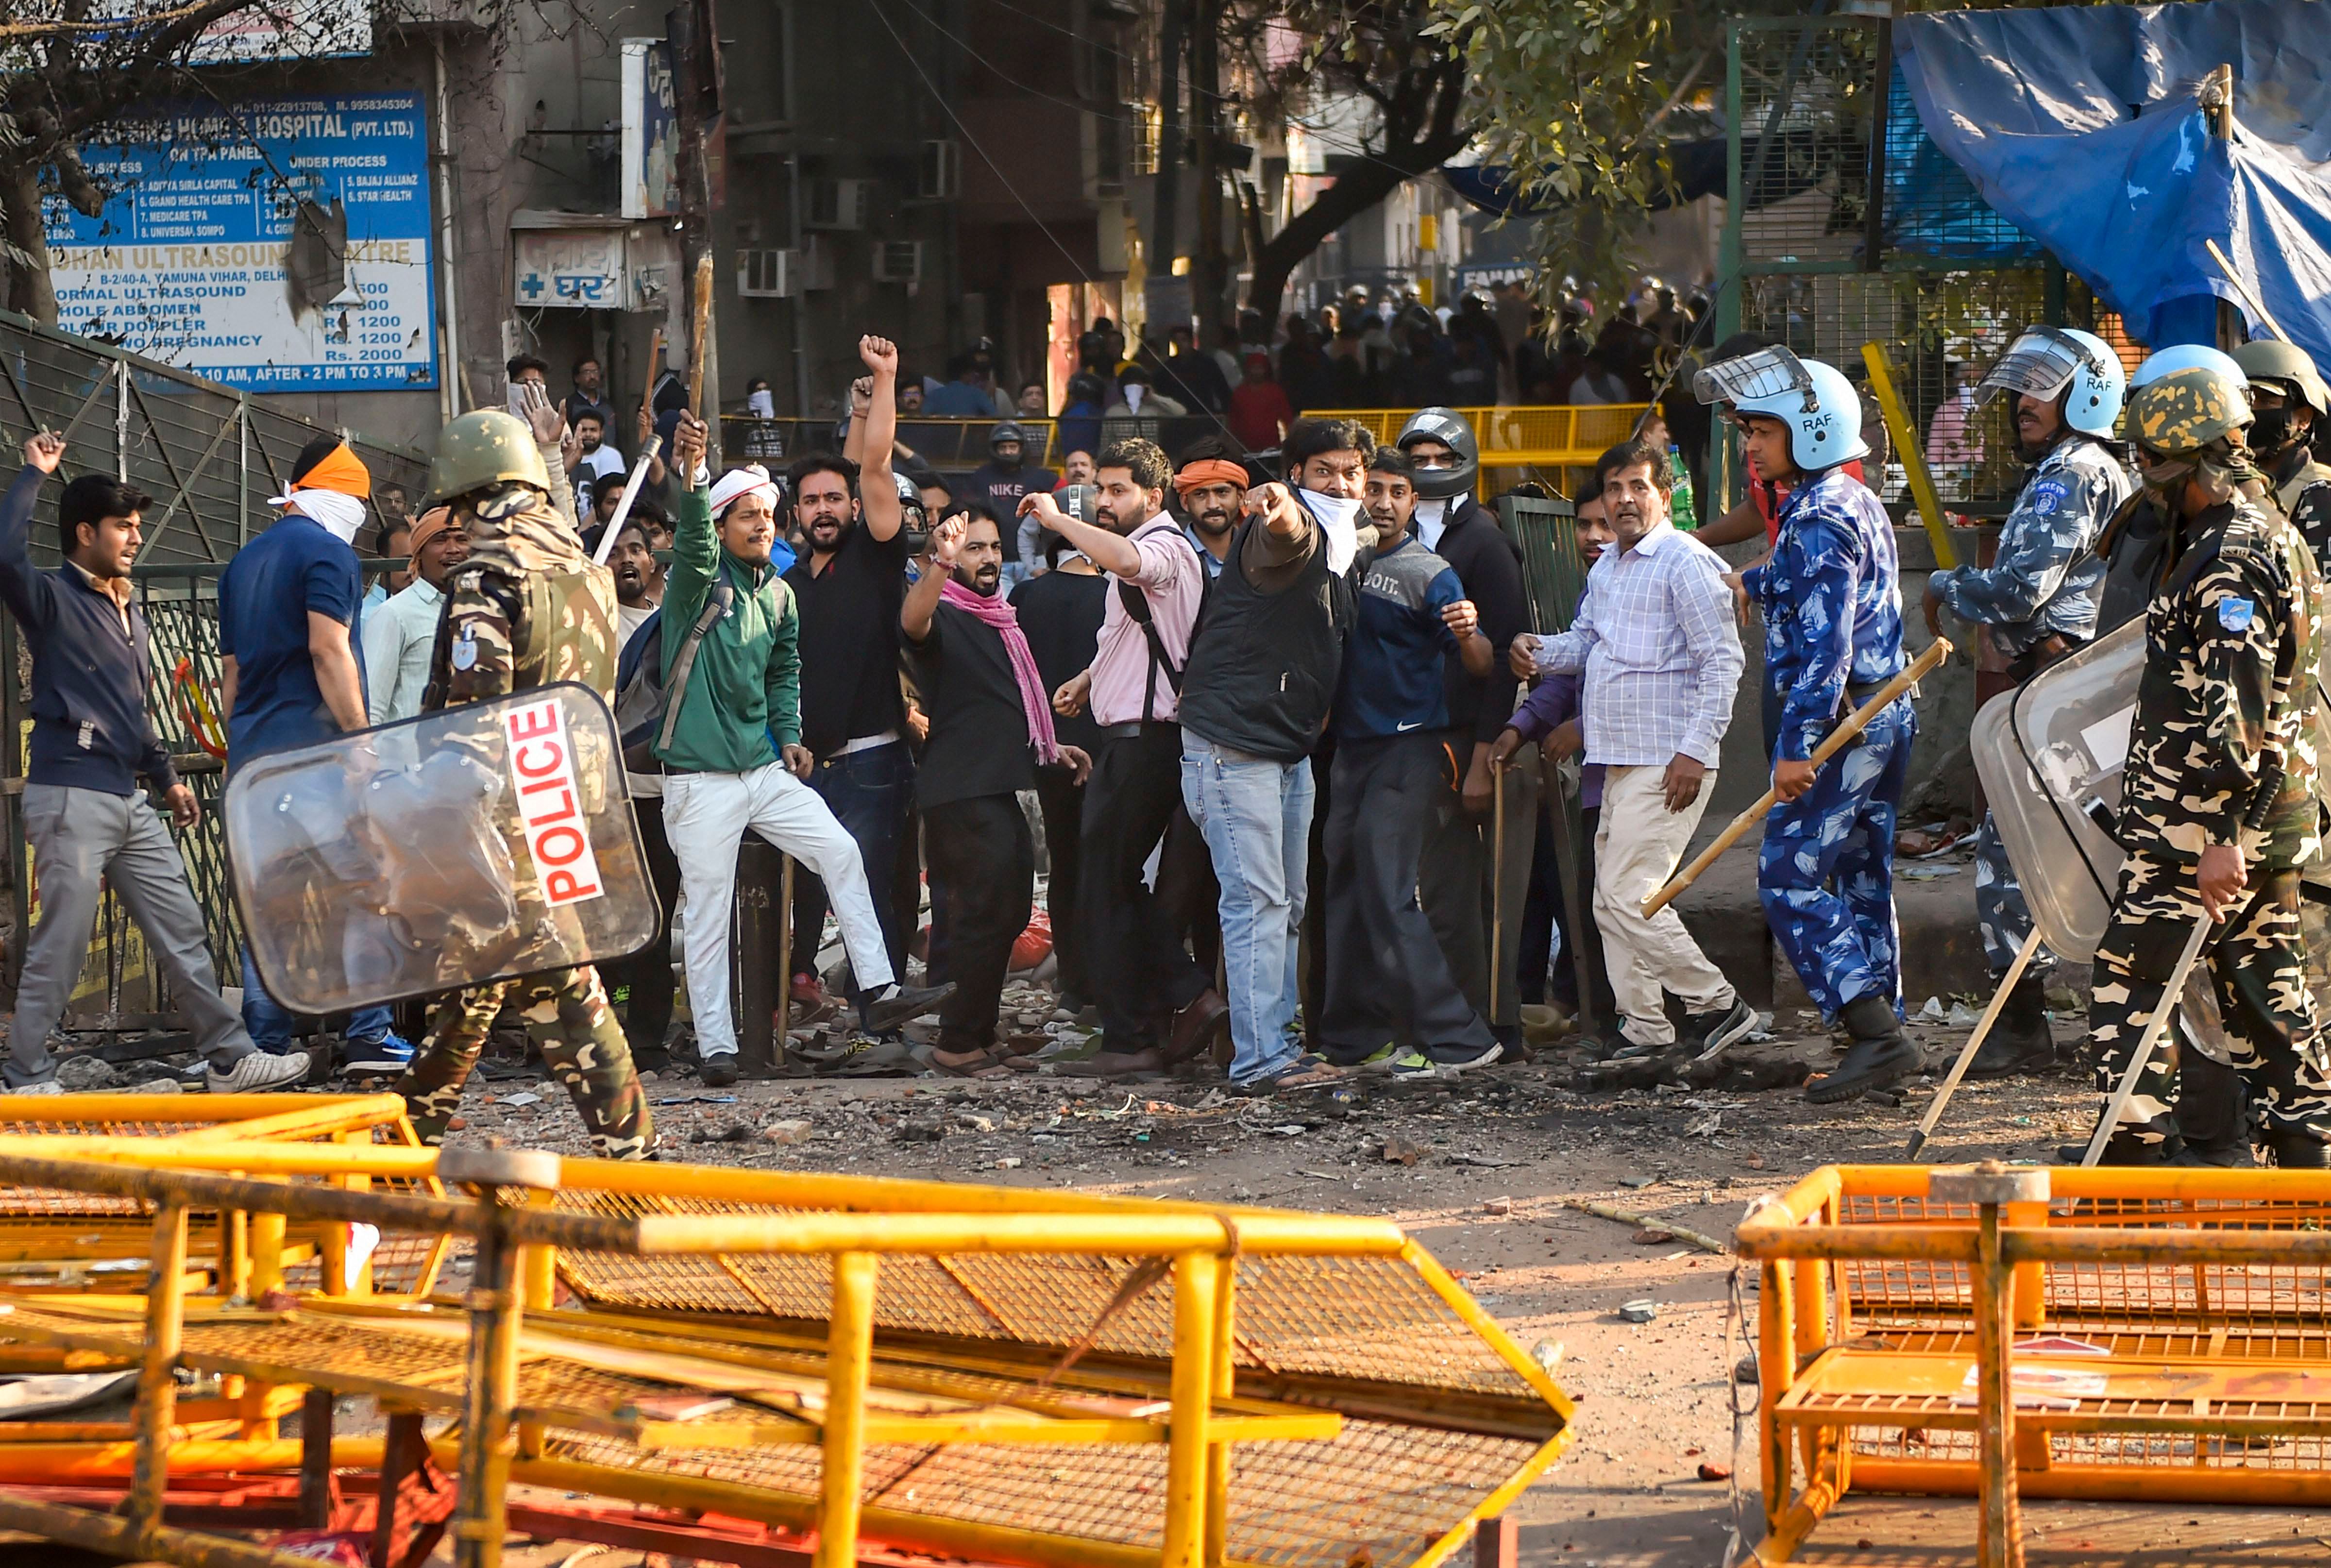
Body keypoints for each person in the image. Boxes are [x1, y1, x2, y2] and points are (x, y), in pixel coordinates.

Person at [2075, 364, 2331, 1166]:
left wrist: (2222, 831)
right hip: (2231, 826)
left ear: (2190, 461)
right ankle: (2308, 1165)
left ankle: (2136, 1169)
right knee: (2265, 1003)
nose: (2147, 479)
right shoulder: (2256, 534)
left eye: (2154, 460)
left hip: (2204, 832)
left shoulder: (2233, 555)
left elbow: (2244, 704)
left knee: (2130, 983)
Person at [658, 409, 952, 1086]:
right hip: (700, 778)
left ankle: (877, 989)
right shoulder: (696, 583)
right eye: (747, 518)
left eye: (767, 517)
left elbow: (785, 670)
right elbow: (696, 538)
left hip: (760, 772)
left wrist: (788, 736)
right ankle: (717, 1048)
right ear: (724, 526)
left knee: (839, 850)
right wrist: (696, 474)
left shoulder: (779, 597)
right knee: (708, 912)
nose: (761, 527)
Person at [0, 434, 302, 1095]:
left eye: (138, 527)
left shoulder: (127, 610)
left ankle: (230, 1058)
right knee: (63, 944)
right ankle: (25, 1075)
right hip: (70, 795)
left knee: (182, 924)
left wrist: (166, 779)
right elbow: (4, 553)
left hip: (126, 799)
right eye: (123, 527)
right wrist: (32, 473)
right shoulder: (51, 599)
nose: (135, 538)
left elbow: (132, 711)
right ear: (86, 532)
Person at [382, 409, 649, 1153]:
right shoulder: (587, 575)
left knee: (558, 987)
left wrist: (424, 822)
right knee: (487, 988)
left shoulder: (488, 578)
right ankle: (409, 1137)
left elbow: (473, 722)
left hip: (500, 821)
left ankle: (631, 1147)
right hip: (565, 804)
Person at [1706, 347, 1918, 1102]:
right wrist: (1748, 578)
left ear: (1813, 430)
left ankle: (1876, 1036)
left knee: (1787, 875)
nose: (1750, 446)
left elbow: (1826, 649)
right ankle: (1880, 1038)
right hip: (1882, 712)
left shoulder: (1822, 514)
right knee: (1862, 872)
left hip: (1845, 723)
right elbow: (1811, 577)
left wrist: (1795, 751)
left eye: (1763, 431)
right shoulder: (1838, 502)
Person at [1923, 326, 2131, 1076]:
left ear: (2088, 394)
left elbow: (2015, 591)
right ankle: (2089, 1020)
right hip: (2073, 690)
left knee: (2012, 852)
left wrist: (1945, 586)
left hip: (2061, 691)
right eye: (2022, 387)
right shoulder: (2090, 469)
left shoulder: (2069, 474)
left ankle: (2024, 1024)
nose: (2022, 402)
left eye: (2042, 387)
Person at [1508, 438, 1755, 1064]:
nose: (1623, 500)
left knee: (1628, 895)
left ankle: (1718, 1005)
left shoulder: (1685, 562)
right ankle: (1644, 1028)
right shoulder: (1607, 569)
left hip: (1668, 760)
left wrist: (1696, 752)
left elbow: (1723, 660)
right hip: (1618, 760)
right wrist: (1535, 649)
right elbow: (1586, 644)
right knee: (1607, 900)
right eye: (1614, 488)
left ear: (1663, 496)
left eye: (1637, 487)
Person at [1175, 418, 1372, 1092]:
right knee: (1256, 901)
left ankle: (1278, 1047)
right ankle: (1259, 1060)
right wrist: (1279, 506)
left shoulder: (1352, 538)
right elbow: (1284, 530)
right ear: (1295, 474)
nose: (1339, 483)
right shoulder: (1282, 528)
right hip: (1234, 745)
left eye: (1351, 471)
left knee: (1286, 903)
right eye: (1323, 471)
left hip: (1285, 746)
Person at [1019, 439, 1227, 1077]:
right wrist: (1089, 678)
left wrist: (1058, 520)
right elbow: (1133, 634)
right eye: (1101, 491)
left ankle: (1159, 1016)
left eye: (1117, 492)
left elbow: (1131, 560)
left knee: (1102, 883)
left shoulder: (1161, 547)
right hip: (1131, 738)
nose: (1105, 503)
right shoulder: (1145, 558)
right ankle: (1162, 1010)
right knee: (1106, 883)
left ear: (1154, 498)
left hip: (1149, 742)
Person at [219, 434, 413, 1078]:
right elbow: (329, 650)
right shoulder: (329, 555)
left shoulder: (243, 562)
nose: (359, 514)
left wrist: (237, 751)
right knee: (368, 883)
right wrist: (359, 740)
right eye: (357, 499)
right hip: (315, 755)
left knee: (270, 902)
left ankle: (265, 1046)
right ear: (335, 496)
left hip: (255, 761)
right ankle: (370, 1035)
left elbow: (231, 679)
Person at [1317, 450, 1501, 1079]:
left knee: (1390, 889)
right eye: (1379, 489)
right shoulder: (1348, 560)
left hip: (1412, 747)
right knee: (1343, 886)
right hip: (1352, 749)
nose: (1387, 502)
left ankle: (1461, 1038)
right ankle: (1351, 1038)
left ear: (1415, 501)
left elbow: (1479, 664)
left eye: (1401, 492)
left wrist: (1471, 630)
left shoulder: (1432, 572)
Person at [901, 511, 1092, 1075]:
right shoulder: (943, 610)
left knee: (1005, 910)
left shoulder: (999, 620)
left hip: (992, 783)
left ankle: (979, 1032)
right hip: (959, 788)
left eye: (993, 548)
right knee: (985, 914)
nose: (985, 558)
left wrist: (1050, 747)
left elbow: (1001, 704)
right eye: (973, 549)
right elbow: (913, 621)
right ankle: (958, 1042)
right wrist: (940, 559)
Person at [784, 338, 920, 1015]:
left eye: (835, 498)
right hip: (803, 770)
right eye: (811, 502)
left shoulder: (875, 558)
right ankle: (797, 1002)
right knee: (802, 894)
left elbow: (876, 464)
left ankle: (882, 1021)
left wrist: (883, 382)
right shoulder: (784, 586)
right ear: (796, 516)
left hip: (872, 762)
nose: (825, 509)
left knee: (871, 887)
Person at [1397, 408, 1537, 1056]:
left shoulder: (1484, 541)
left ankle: (1474, 1028)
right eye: (1414, 458)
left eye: (1437, 457)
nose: (1426, 469)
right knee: (1433, 888)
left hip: (1460, 739)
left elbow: (1505, 652)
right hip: (1407, 733)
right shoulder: (1392, 535)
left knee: (1457, 893)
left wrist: (1485, 755)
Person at [1507, 479, 1617, 1023]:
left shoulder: (1661, 576)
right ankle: (1573, 1005)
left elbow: (1647, 682)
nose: (1595, 536)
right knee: (1564, 885)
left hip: (1640, 767)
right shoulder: (1596, 588)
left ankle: (1613, 1015)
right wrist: (1521, 726)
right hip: (1593, 771)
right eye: (1586, 525)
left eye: (1606, 523)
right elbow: (1570, 667)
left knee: (1608, 898)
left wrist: (1582, 727)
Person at [1012, 521, 1110, 1016]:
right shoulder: (1118, 596)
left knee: (1066, 863)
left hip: (1049, 750)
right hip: (1109, 750)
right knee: (1110, 865)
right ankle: (1108, 977)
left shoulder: (1027, 596)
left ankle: (1074, 980)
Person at [601, 513, 679, 1068]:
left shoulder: (670, 626)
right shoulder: (589, 624)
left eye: (638, 549)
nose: (627, 559)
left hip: (661, 796)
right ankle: (601, 1039)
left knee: (656, 919)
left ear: (654, 562)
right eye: (616, 551)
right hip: (607, 798)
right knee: (605, 923)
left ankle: (648, 1040)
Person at [362, 505, 470, 724]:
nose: (452, 549)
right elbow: (371, 706)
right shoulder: (394, 614)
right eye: (440, 541)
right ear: (419, 553)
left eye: (462, 539)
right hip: (409, 755)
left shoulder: (481, 610)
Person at [2231, 339, 2331, 561]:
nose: (2250, 414)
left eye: (2266, 402)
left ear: (2303, 419)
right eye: (2242, 401)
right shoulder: (2220, 486)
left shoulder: (2319, 492)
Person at [962, 422, 1057, 578]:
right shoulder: (980, 478)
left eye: (1012, 447)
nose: (1008, 452)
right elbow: (966, 511)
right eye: (1003, 448)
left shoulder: (1040, 477)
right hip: (997, 559)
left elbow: (1064, 499)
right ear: (995, 449)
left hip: (1034, 559)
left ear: (1022, 448)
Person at [1173, 445, 1247, 577]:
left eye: (1222, 492)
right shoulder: (1171, 561)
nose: (1213, 505)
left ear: (1240, 497)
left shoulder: (1258, 556)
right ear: (1185, 502)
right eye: (1200, 494)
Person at [1229, 353, 1295, 453]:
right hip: (1244, 448)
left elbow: (1288, 418)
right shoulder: (1239, 393)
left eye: (1260, 368)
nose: (1257, 372)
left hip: (1272, 447)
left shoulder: (1275, 391)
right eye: (1254, 368)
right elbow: (1232, 422)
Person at [568, 411, 626, 514]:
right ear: (575, 432)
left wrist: (584, 529)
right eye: (584, 430)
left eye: (593, 430)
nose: (588, 435)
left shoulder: (610, 455)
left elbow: (609, 497)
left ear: (602, 433)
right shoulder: (567, 455)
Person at [362, 517, 412, 613]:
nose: (414, 570)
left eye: (419, 561)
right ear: (383, 564)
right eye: (407, 561)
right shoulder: (366, 615)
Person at [567, 356, 617, 439]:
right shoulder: (569, 405)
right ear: (577, 378)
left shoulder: (608, 404)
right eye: (587, 373)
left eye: (595, 372)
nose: (592, 377)